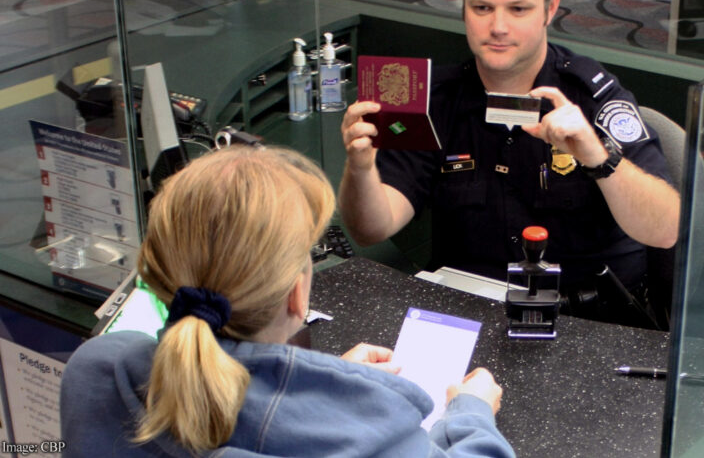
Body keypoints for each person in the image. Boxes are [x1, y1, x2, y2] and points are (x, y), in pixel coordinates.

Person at [59, 146, 514, 457]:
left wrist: (325, 384)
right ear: (298, 295)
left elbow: (235, 404)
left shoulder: (97, 371)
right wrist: (471, 414)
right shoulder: (372, 431)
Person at [339, 0, 680, 327]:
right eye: (482, 8)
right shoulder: (436, 100)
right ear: (463, 6)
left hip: (588, 323)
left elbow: (665, 230)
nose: (498, 27)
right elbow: (371, 229)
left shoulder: (592, 96)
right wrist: (360, 169)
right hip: (468, 316)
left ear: (551, 8)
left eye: (518, 10)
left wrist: (598, 157)